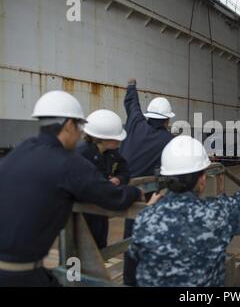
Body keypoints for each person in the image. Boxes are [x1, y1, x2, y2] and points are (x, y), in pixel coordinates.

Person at [0, 91, 152, 287]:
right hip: (18, 275)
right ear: (69, 125)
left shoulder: (21, 150)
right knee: (75, 268)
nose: (81, 132)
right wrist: (136, 192)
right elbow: (114, 197)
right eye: (79, 126)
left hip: (24, 268)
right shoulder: (69, 162)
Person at [129, 136, 240, 287]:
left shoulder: (145, 218)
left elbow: (134, 252)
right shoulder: (216, 213)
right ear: (202, 179)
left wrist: (149, 210)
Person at [120, 79, 175, 286]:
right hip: (151, 197)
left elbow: (132, 104)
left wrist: (131, 86)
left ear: (149, 115)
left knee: (131, 240)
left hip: (127, 193)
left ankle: (129, 281)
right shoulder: (169, 141)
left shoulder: (135, 122)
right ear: (166, 121)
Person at [77, 109, 129, 249]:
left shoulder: (111, 153)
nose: (119, 140)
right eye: (116, 137)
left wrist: (118, 179)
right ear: (103, 138)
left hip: (100, 214)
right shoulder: (81, 155)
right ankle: (73, 272)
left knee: (99, 252)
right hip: (81, 215)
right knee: (76, 256)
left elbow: (125, 171)